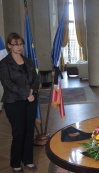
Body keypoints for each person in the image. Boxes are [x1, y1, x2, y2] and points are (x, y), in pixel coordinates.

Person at [0, 33, 39, 173]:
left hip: (30, 101)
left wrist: (32, 92)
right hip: (14, 102)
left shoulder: (28, 61)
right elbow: (7, 83)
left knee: (29, 131)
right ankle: (15, 163)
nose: (19, 47)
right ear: (9, 46)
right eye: (16, 44)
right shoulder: (4, 63)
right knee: (19, 132)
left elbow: (35, 78)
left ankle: (28, 160)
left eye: (21, 44)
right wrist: (26, 93)